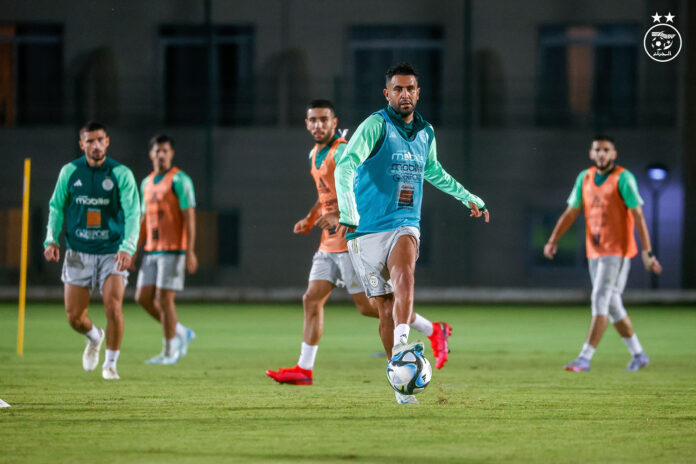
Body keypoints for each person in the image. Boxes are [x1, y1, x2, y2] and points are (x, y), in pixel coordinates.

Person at [334, 63, 490, 404]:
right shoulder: (376, 125)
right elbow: (345, 164)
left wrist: (467, 197)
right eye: (398, 89)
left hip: (404, 222)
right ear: (387, 93)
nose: (405, 94)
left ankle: (403, 348)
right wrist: (348, 211)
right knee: (382, 309)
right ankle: (403, 384)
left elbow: (433, 170)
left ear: (418, 93)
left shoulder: (426, 132)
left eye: (411, 88)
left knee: (405, 273)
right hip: (364, 230)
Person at [266, 99, 451, 386]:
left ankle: (428, 336)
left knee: (374, 308)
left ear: (334, 122)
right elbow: (325, 193)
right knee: (311, 299)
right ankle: (304, 369)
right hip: (328, 244)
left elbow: (360, 187)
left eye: (323, 120)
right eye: (313, 120)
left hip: (352, 240)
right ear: (306, 124)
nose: (318, 125)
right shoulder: (315, 153)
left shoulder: (342, 151)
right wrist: (311, 216)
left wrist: (339, 214)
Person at [544, 134, 662, 372]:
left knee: (599, 298)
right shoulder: (585, 177)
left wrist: (647, 252)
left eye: (606, 150)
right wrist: (553, 239)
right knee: (613, 305)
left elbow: (638, 215)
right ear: (591, 153)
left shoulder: (623, 178)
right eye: (597, 150)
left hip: (616, 252)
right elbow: (570, 212)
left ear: (613, 154)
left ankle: (584, 358)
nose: (601, 154)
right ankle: (639, 354)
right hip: (594, 251)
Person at [43, 122, 140, 380]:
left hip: (112, 252)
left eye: (100, 140)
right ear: (81, 144)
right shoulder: (70, 172)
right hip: (78, 252)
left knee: (113, 307)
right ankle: (94, 336)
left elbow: (133, 214)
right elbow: (56, 207)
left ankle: (110, 364)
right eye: (90, 141)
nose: (95, 145)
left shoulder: (121, 174)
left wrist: (127, 248)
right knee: (74, 317)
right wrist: (51, 240)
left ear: (107, 141)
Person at [134, 135, 198, 365]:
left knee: (164, 298)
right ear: (151, 154)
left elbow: (189, 216)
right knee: (142, 298)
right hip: (151, 250)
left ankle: (169, 352)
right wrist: (134, 249)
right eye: (157, 151)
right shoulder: (146, 182)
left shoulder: (179, 180)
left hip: (173, 250)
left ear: (171, 154)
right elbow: (143, 219)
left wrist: (189, 250)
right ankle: (181, 332)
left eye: (165, 151)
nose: (161, 154)